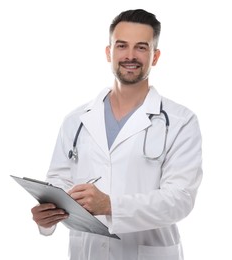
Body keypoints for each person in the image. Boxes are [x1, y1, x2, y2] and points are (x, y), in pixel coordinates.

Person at [31, 9, 203, 260]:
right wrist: (46, 217)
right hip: (87, 253)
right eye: (121, 46)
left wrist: (111, 205)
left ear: (155, 57)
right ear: (108, 52)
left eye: (141, 48)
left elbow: (180, 199)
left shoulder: (180, 121)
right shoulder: (76, 120)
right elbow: (59, 183)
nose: (130, 56)